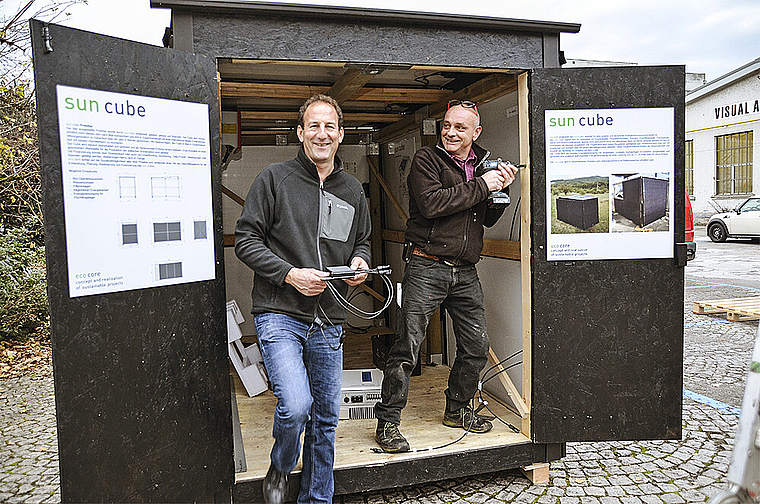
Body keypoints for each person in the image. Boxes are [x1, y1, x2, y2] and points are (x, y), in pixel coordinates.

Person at [235, 94, 371, 504]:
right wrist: (290, 274)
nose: (322, 134)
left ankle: (316, 499)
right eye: (313, 125)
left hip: (329, 318)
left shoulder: (352, 190)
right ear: (300, 132)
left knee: (326, 420)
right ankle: (280, 464)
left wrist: (360, 261)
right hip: (280, 313)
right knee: (296, 406)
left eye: (329, 126)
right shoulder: (274, 179)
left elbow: (360, 241)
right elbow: (245, 240)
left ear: (341, 134)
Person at [373, 99, 518, 453]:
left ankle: (457, 410)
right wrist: (485, 185)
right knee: (407, 345)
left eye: (460, 128)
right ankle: (388, 423)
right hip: (425, 265)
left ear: (476, 132)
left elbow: (485, 219)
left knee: (476, 345)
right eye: (447, 126)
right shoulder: (427, 160)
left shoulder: (485, 165)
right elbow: (433, 204)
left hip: (465, 270)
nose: (451, 132)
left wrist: (501, 190)